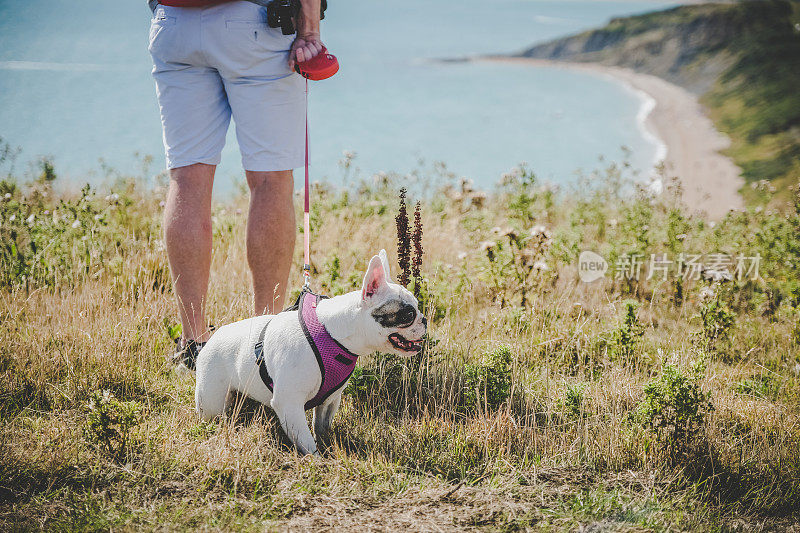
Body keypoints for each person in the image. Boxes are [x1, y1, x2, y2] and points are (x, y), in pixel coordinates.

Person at [147, 0, 325, 369]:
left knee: (187, 179)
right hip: (253, 24)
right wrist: (309, 30)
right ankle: (264, 343)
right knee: (271, 182)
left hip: (174, 23)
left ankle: (192, 345)